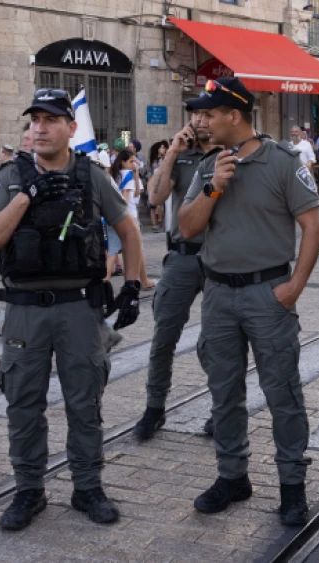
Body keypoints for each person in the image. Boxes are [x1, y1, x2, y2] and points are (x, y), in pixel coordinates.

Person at [0, 88, 144, 528]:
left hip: (79, 308)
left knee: (85, 402)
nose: (40, 127)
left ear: (71, 128)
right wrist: (25, 196)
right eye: (34, 120)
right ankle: (29, 491)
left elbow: (129, 230)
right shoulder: (12, 175)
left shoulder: (92, 176)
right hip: (25, 309)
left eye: (50, 120)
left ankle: (87, 488)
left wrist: (131, 285)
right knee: (23, 402)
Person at [178, 77, 319, 526]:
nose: (202, 121)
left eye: (209, 113)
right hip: (219, 293)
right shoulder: (209, 166)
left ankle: (292, 487)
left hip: (268, 292)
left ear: (234, 116)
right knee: (224, 392)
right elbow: (186, 228)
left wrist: (294, 285)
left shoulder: (282, 162)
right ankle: (232, 476)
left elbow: (313, 226)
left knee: (282, 392)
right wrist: (213, 187)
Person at [136, 105, 221, 441]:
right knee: (163, 337)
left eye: (206, 114)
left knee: (216, 343)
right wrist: (171, 151)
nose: (200, 120)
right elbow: (155, 196)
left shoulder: (229, 155)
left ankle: (221, 409)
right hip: (182, 257)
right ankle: (154, 408)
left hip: (218, 258)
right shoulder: (181, 156)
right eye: (195, 114)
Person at [109, 149, 154, 290]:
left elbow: (136, 192)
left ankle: (142, 280)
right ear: (123, 162)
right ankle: (141, 281)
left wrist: (135, 174)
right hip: (129, 216)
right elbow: (128, 198)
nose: (134, 164)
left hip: (115, 215)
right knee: (133, 251)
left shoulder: (115, 175)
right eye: (131, 161)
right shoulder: (126, 174)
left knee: (114, 251)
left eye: (135, 160)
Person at [146, 140, 169, 232]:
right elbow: (148, 171)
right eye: (161, 147)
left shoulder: (165, 159)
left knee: (160, 204)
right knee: (152, 205)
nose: (162, 149)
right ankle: (154, 224)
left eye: (163, 147)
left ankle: (160, 222)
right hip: (152, 183)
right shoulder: (151, 160)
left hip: (161, 183)